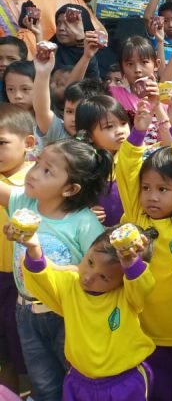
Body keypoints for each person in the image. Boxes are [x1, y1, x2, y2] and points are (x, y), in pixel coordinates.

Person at [0, 139, 109, 401]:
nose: (34, 172)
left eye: (48, 170)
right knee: (44, 384)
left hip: (68, 314)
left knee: (76, 377)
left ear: (71, 189)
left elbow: (99, 272)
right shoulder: (23, 202)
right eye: (37, 163)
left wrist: (58, 270)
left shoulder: (84, 222)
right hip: (26, 311)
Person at [116, 93, 172, 401]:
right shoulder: (137, 216)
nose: (152, 196)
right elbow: (126, 170)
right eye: (147, 188)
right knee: (158, 393)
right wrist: (137, 132)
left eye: (163, 189)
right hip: (147, 335)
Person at [14, 224, 156, 399]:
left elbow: (143, 286)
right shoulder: (70, 284)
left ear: (122, 280)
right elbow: (42, 278)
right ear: (88, 250)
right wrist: (34, 247)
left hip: (123, 383)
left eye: (104, 277)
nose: (88, 277)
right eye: (90, 262)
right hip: (79, 382)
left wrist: (131, 263)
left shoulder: (128, 296)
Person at [0, 105, 34, 393]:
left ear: (29, 143)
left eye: (1, 143)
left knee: (29, 351)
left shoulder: (34, 180)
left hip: (23, 282)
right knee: (4, 353)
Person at [74, 95, 130, 226]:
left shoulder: (134, 156)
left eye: (123, 123)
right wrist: (84, 213)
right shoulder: (81, 166)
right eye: (109, 126)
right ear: (88, 135)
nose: (120, 131)